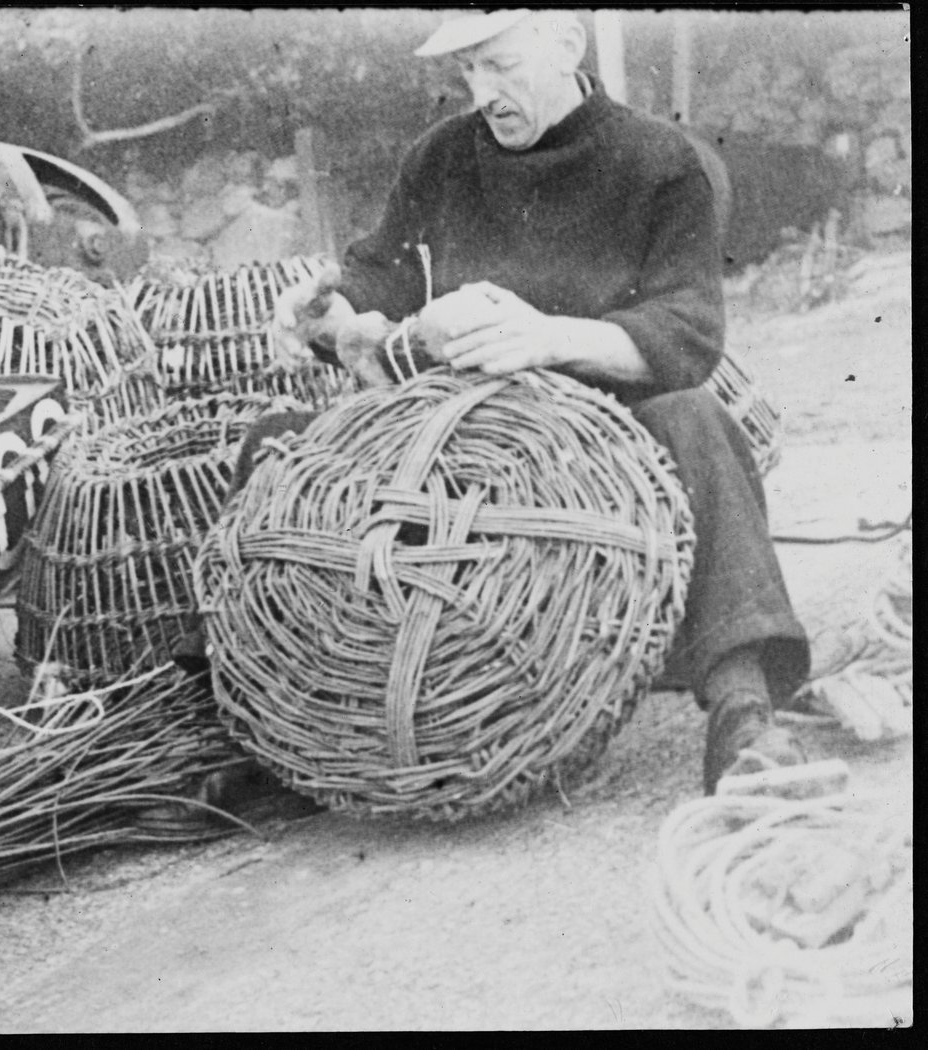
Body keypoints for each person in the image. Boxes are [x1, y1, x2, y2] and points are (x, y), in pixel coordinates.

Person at [181, 9, 810, 796]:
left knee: (698, 420)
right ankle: (259, 725)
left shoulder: (659, 161)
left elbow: (688, 333)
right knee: (280, 443)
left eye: (502, 65)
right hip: (463, 430)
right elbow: (379, 279)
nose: (484, 92)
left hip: (608, 426)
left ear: (566, 46)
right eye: (469, 71)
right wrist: (330, 317)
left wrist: (551, 338)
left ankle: (743, 713)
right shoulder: (441, 157)